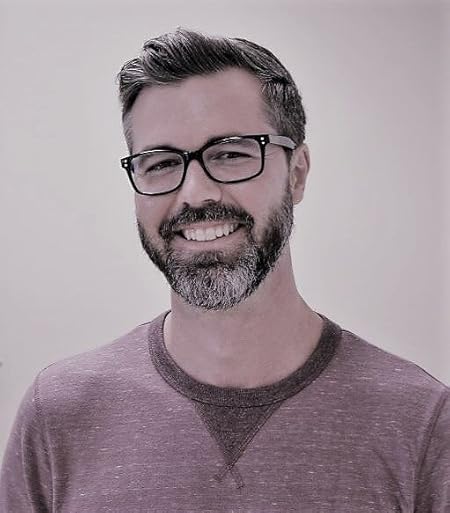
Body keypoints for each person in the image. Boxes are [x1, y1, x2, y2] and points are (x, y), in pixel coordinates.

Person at [0, 28, 448, 513]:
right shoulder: (59, 416)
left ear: (297, 173)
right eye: (160, 163)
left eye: (231, 153)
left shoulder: (422, 424)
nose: (195, 193)